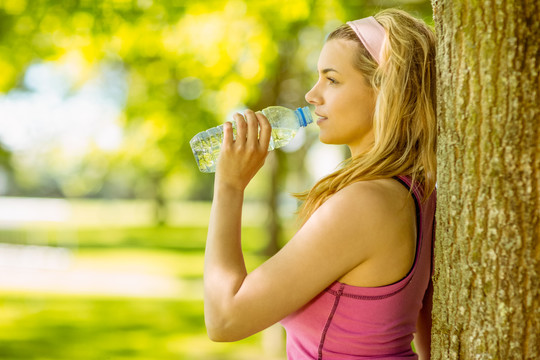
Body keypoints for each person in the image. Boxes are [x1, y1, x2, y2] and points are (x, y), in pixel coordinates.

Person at [203, 8, 437, 360]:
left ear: (386, 92)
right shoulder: (418, 192)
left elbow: (224, 319)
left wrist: (229, 186)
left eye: (332, 79)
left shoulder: (365, 203)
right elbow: (431, 333)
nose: (312, 96)